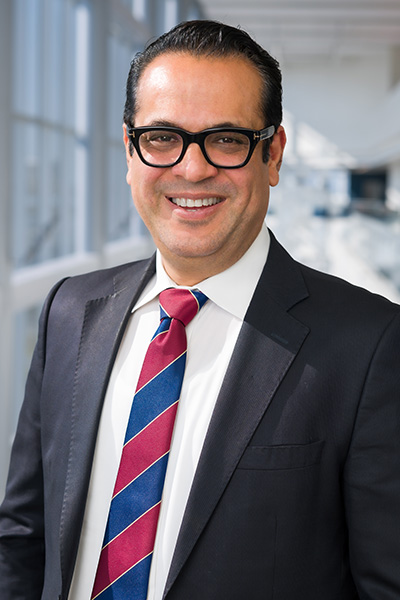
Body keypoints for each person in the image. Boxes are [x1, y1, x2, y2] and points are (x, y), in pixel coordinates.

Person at [1, 19, 400, 600]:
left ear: (273, 154)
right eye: (162, 137)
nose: (192, 169)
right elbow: (22, 534)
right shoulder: (69, 311)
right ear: (129, 150)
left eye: (227, 139)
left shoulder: (369, 346)